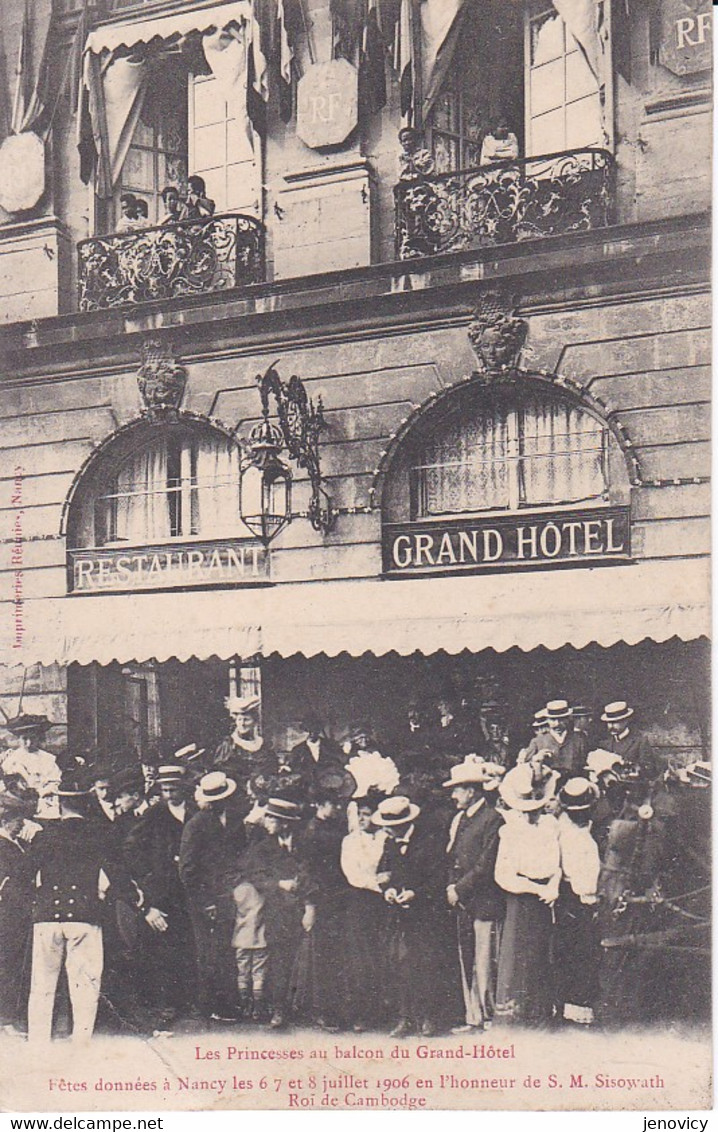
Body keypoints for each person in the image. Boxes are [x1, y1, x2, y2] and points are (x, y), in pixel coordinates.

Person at [26, 770, 157, 1045]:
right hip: (85, 918)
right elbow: (117, 873)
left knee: (42, 986)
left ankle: (38, 1043)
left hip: (46, 919)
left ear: (61, 803)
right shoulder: (100, 835)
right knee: (84, 986)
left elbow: (25, 877)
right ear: (88, 802)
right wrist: (139, 901)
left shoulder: (42, 837)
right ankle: (80, 1042)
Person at [124, 764, 197, 1024]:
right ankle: (166, 1003)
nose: (169, 793)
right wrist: (148, 876)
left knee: (188, 941)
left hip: (190, 888)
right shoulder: (154, 814)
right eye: (164, 789)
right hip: (163, 889)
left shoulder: (196, 812)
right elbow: (132, 849)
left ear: (183, 788)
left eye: (173, 788)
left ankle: (189, 1000)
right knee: (163, 946)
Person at [494, 763, 561, 1026]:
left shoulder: (549, 825)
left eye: (535, 807)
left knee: (542, 955)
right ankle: (518, 1017)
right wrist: (537, 889)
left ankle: (541, 1014)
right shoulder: (510, 831)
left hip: (546, 899)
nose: (531, 813)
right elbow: (504, 876)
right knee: (520, 956)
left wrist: (553, 886)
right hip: (522, 900)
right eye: (525, 809)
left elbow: (557, 863)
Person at [375, 795, 447, 1037]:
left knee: (426, 964)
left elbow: (438, 879)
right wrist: (389, 890)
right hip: (398, 916)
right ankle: (405, 1018)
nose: (387, 831)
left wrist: (416, 893)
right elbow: (383, 873)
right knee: (400, 965)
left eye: (391, 827)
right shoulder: (390, 843)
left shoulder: (430, 841)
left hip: (426, 915)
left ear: (403, 824)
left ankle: (429, 1018)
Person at [443, 757, 506, 1034]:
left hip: (484, 901)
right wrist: (450, 886)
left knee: (485, 957)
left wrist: (460, 888)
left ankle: (490, 1016)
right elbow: (452, 856)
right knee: (466, 957)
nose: (454, 795)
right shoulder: (460, 819)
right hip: (463, 901)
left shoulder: (493, 819)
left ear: (472, 791)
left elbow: (486, 864)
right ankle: (473, 1016)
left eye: (458, 789)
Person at [179, 771, 247, 1022]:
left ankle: (228, 1003)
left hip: (228, 895)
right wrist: (204, 901)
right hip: (205, 899)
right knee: (209, 952)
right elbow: (187, 869)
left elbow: (240, 854)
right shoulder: (196, 825)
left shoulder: (233, 820)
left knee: (226, 949)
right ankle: (210, 1006)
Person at [243, 795, 312, 1029]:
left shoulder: (304, 843)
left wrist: (308, 902)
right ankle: (278, 1009)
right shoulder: (263, 847)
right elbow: (255, 876)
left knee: (308, 957)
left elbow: (313, 871)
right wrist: (279, 884)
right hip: (278, 910)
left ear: (286, 823)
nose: (268, 820)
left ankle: (306, 1007)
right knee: (280, 959)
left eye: (273, 818)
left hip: (306, 906)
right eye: (268, 816)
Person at [298, 781, 351, 1031]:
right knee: (323, 957)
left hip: (341, 897)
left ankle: (340, 1009)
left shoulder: (338, 826)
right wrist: (310, 905)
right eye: (333, 804)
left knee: (341, 955)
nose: (337, 807)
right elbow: (307, 872)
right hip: (322, 899)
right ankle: (323, 1011)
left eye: (339, 803)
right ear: (320, 805)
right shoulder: (311, 832)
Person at [554, 777, 601, 1026]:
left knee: (586, 950)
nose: (581, 815)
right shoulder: (565, 831)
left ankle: (582, 1002)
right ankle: (575, 1004)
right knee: (577, 951)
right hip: (573, 896)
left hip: (587, 897)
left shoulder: (587, 827)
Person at [340, 790, 388, 1031]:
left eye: (367, 815)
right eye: (359, 814)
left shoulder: (385, 838)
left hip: (384, 903)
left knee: (382, 955)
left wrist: (383, 881)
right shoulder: (349, 841)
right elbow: (353, 874)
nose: (362, 819)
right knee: (360, 958)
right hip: (360, 901)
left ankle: (382, 1011)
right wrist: (377, 881)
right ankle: (360, 1013)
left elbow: (390, 869)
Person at [0, 792, 36, 1034]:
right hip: (9, 915)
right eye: (18, 820)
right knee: (9, 965)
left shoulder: (15, 844)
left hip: (15, 915)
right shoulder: (3, 846)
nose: (22, 824)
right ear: (6, 820)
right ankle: (6, 1019)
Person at [213, 696, 276, 801]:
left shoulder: (263, 745)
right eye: (239, 720)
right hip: (236, 797)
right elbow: (221, 773)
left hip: (261, 796)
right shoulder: (228, 745)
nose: (242, 724)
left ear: (255, 722)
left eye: (246, 720)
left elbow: (271, 768)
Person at [1, 714, 61, 820]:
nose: (28, 743)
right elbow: (4, 782)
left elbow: (55, 782)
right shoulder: (11, 758)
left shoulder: (48, 758)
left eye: (32, 738)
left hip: (43, 801)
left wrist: (41, 792)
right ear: (18, 739)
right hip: (16, 803)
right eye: (24, 738)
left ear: (38, 738)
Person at [281, 713, 344, 794]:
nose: (312, 733)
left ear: (319, 731)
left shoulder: (331, 746)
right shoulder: (297, 750)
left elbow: (338, 765)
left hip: (330, 789)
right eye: (308, 730)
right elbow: (294, 769)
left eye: (315, 730)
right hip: (305, 791)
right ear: (305, 731)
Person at [601, 701, 660, 786]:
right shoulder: (604, 744)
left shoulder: (640, 741)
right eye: (609, 722)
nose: (611, 726)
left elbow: (650, 771)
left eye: (615, 722)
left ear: (626, 721)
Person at [343, 724, 400, 800]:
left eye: (365, 737)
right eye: (360, 738)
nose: (363, 740)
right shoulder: (352, 758)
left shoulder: (376, 752)